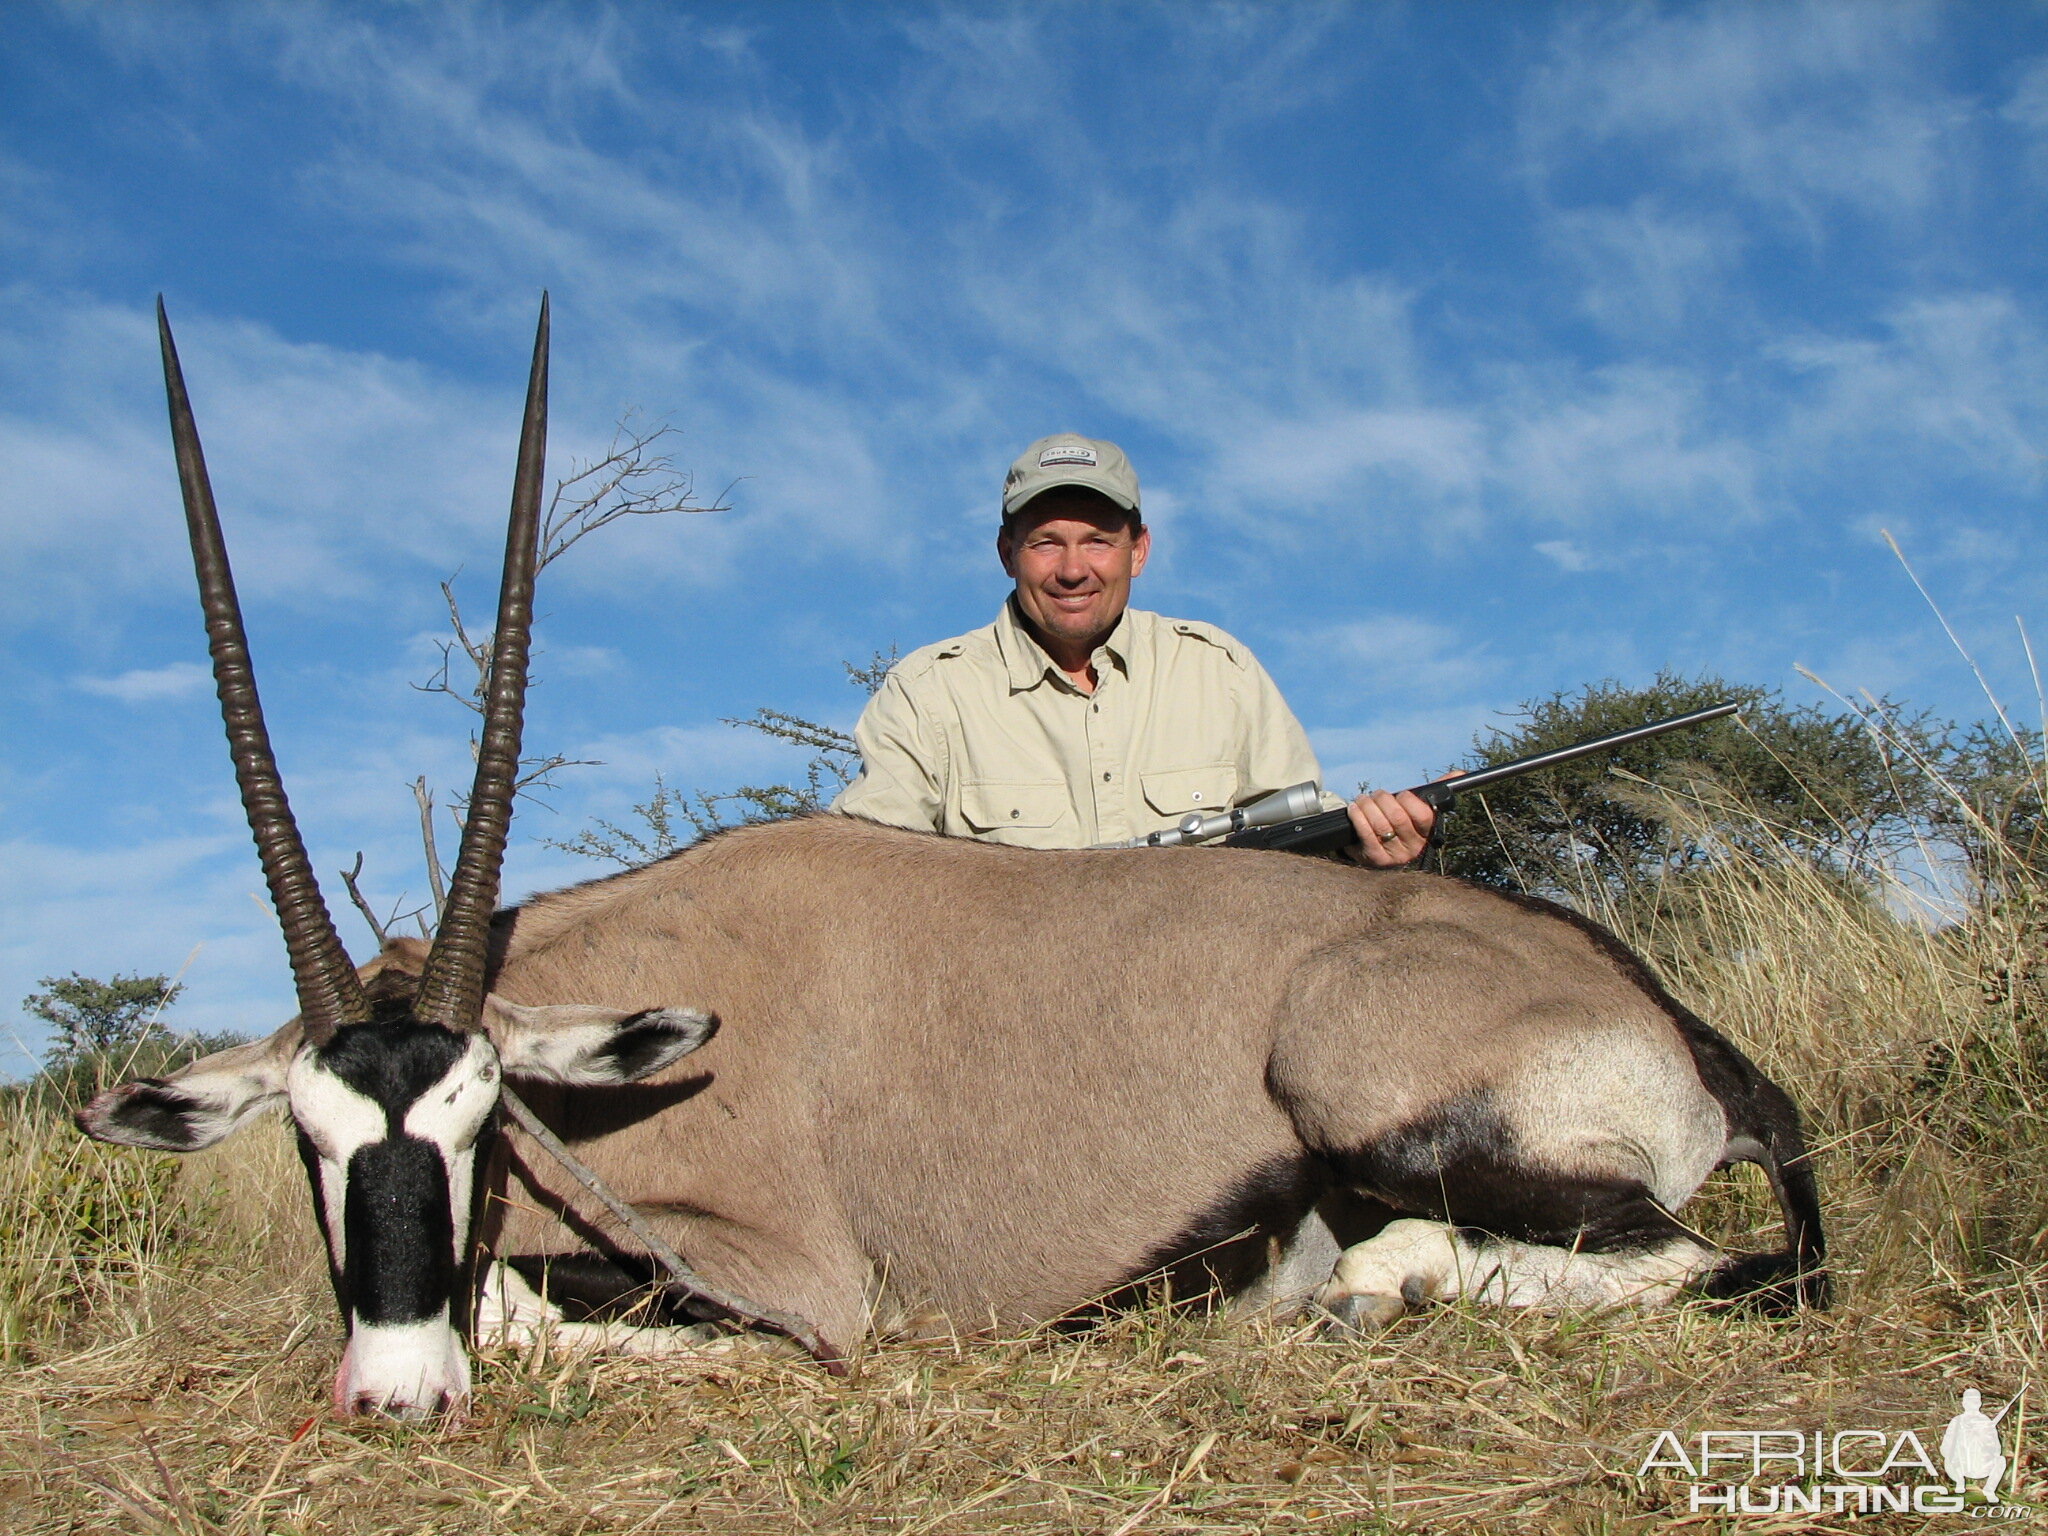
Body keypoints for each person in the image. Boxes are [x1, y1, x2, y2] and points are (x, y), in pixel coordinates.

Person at [830, 433, 1438, 864]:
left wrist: (1369, 843)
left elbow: (1297, 828)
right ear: (1006, 554)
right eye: (1046, 542)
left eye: (1098, 540)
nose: (1073, 569)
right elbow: (865, 871)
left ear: (1138, 551)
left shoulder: (1216, 667)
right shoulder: (928, 689)